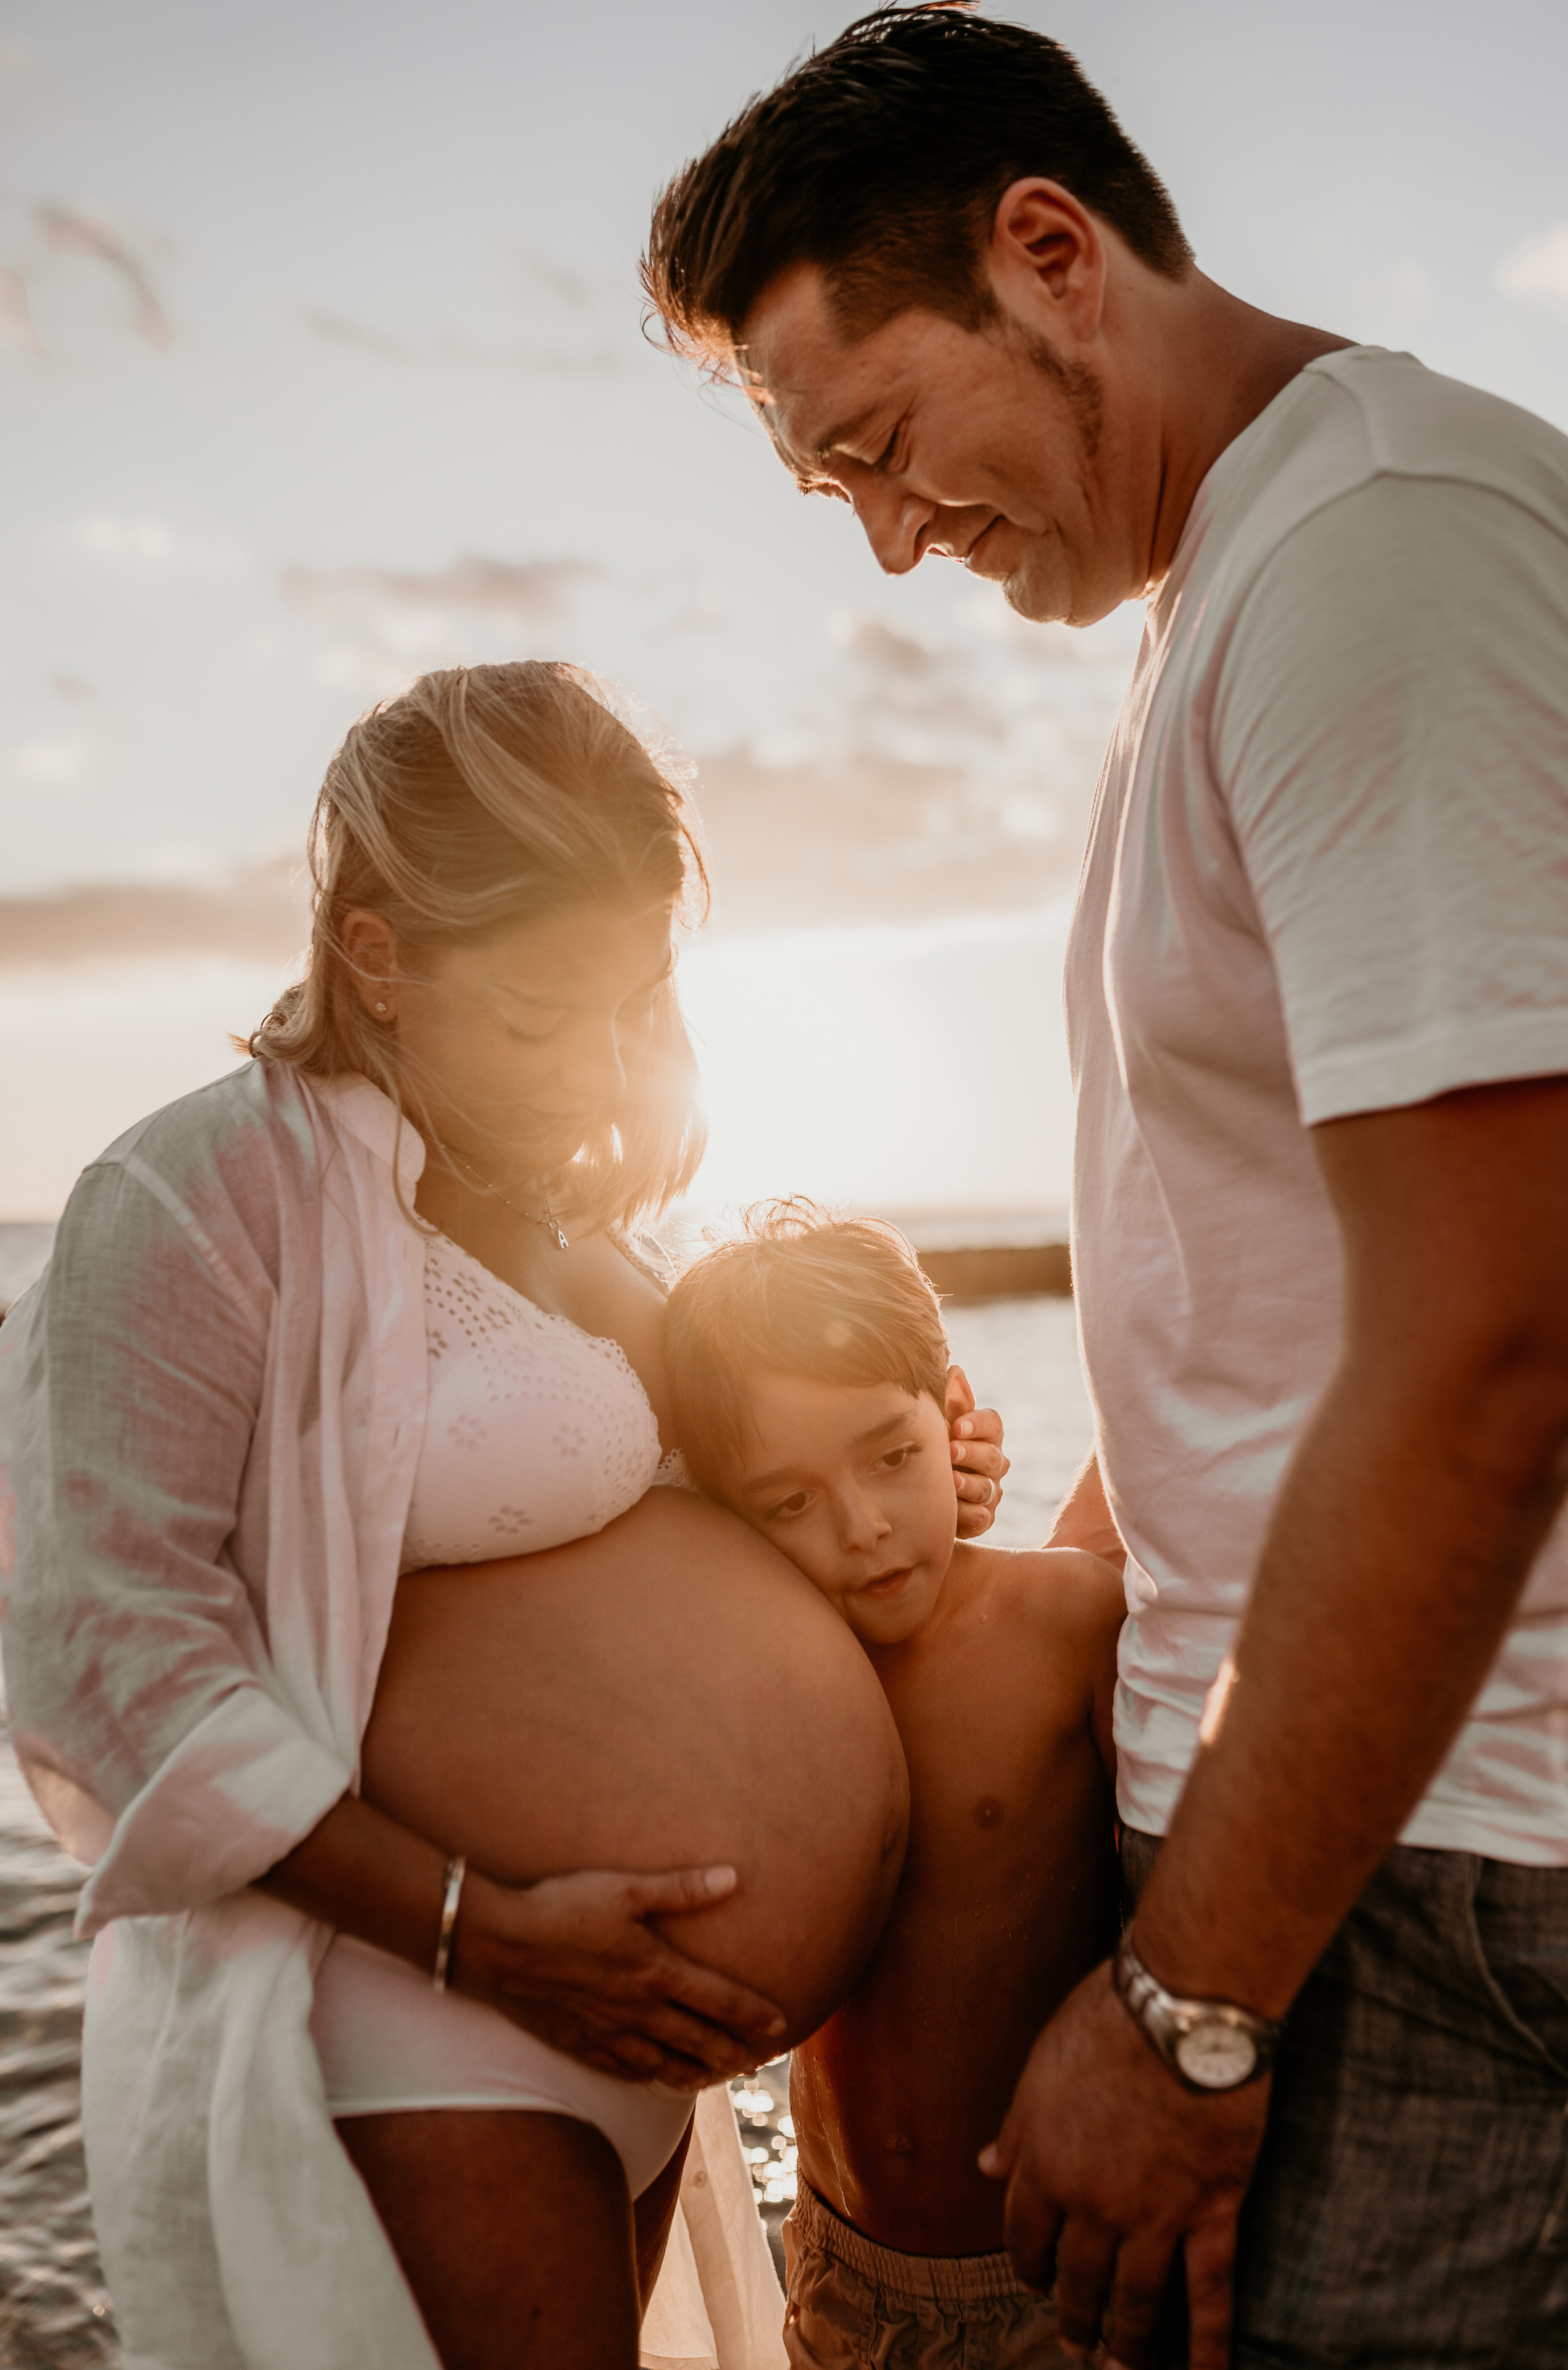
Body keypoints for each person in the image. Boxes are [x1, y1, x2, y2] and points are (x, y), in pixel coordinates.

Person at [642, 9, 1568, 2367]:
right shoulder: (1237, 595)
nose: (891, 539)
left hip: (1439, 1878)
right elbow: (1262, 1303)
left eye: (881, 447)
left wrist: (1187, 2008)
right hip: (1343, 1853)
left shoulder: (1382, 557)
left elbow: (1496, 1337)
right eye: (832, 495)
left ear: (1051, 254)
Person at [0, 659, 1010, 2370]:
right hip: (423, 2018)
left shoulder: (566, 1219)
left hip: (623, 2043)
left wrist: (898, 1475)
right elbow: (104, 1656)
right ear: (377, 957)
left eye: (629, 1008)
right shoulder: (188, 1196)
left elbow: (704, 1509)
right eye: (542, 1017)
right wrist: (476, 1931)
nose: (596, 1071)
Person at [665, 1203, 1126, 2370]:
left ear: (955, 1413)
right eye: (790, 1502)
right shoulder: (767, 1677)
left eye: (892, 1457)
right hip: (843, 2273)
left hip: (1053, 2280)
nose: (864, 1528)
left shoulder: (1068, 1624)